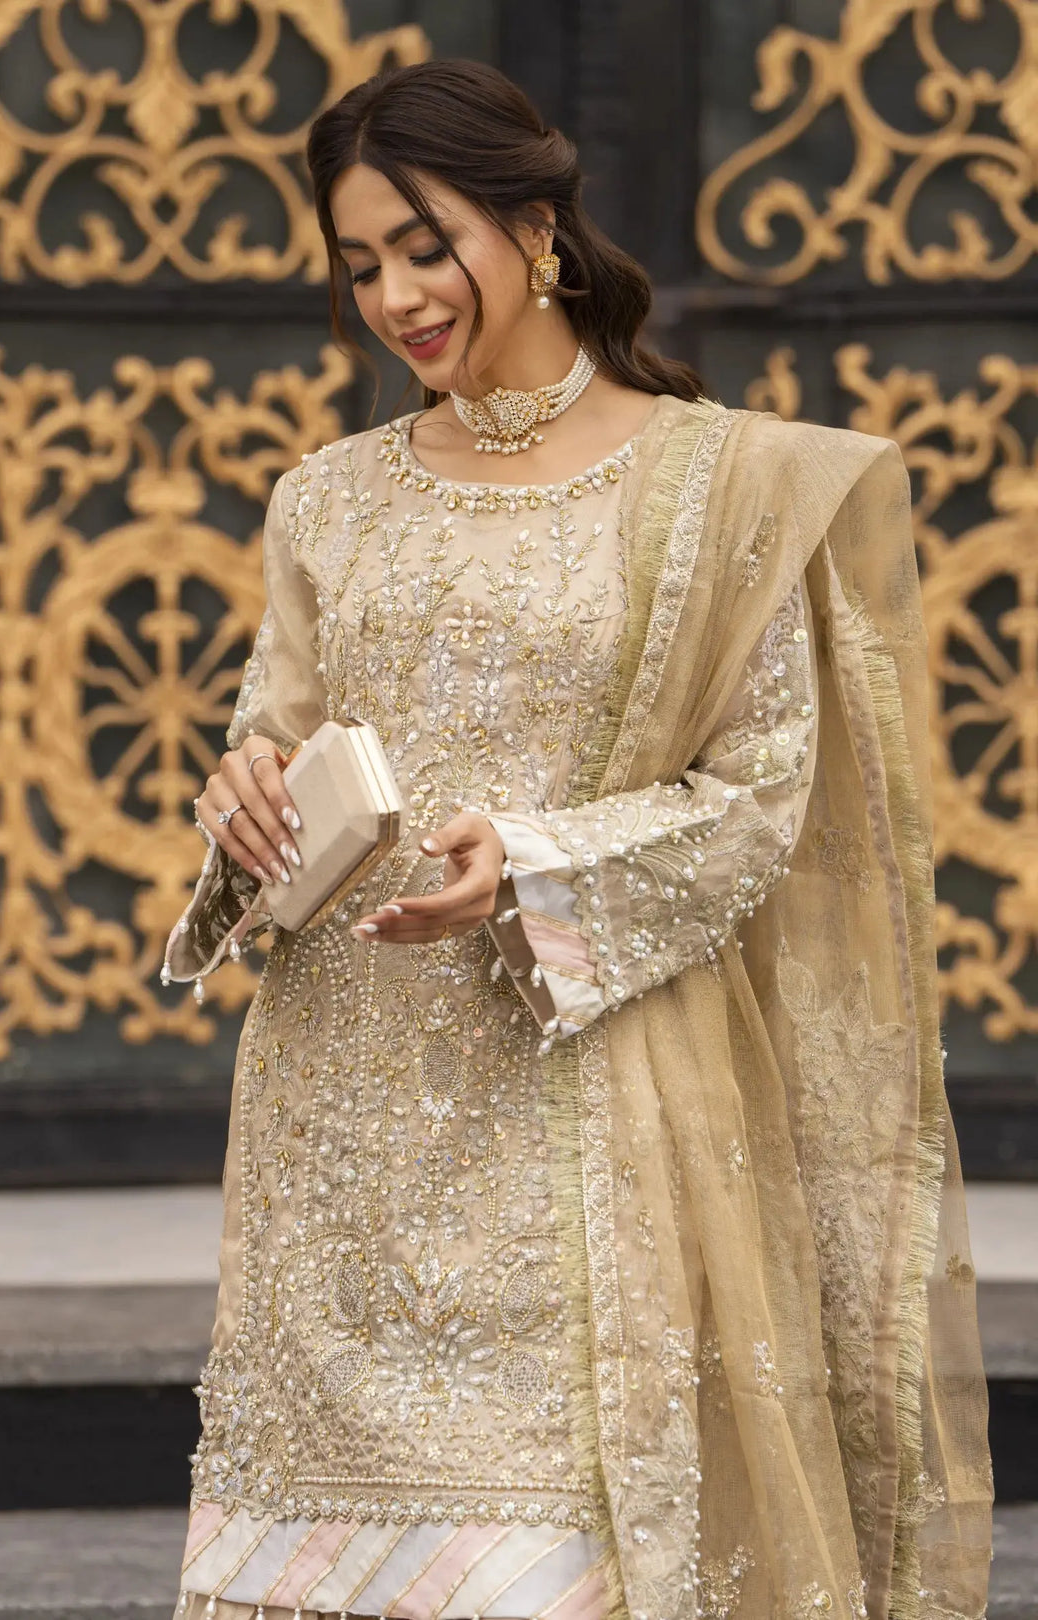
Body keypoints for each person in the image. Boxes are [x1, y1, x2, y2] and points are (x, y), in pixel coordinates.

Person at [162, 57, 991, 1620]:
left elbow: (760, 801)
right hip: (337, 1143)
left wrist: (528, 861)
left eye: (425, 244)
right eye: (358, 266)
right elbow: (272, 745)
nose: (396, 296)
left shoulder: (716, 486)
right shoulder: (325, 502)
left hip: (580, 1121)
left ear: (536, 226)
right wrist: (245, 808)